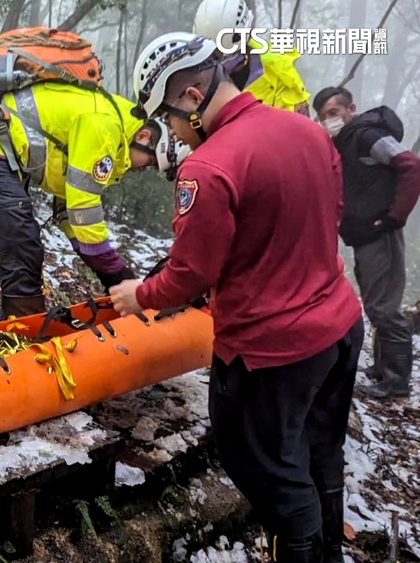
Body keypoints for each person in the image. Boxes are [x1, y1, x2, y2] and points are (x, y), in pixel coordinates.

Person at [112, 33, 364, 563]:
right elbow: (330, 215)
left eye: (170, 120)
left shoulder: (208, 167)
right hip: (340, 325)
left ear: (190, 98)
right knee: (320, 449)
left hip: (271, 350)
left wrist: (141, 295)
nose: (174, 135)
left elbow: (188, 275)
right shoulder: (308, 131)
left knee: (264, 468)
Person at [0, 82, 189, 319]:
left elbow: (69, 207)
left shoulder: (111, 125)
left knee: (23, 243)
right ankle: (22, 337)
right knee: (21, 246)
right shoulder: (105, 126)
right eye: (151, 162)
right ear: (144, 136)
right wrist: (115, 272)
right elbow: (84, 205)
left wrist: (98, 263)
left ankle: (21, 323)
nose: (144, 169)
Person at [313, 86, 420, 400]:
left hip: (381, 235)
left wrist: (394, 217)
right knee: (375, 304)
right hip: (364, 236)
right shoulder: (344, 143)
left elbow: (410, 164)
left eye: (333, 113)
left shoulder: (366, 135)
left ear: (350, 109)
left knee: (384, 309)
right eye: (323, 117)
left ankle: (397, 382)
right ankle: (382, 369)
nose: (329, 121)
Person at [193, 0, 311, 116]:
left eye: (228, 53)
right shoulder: (190, 75)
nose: (222, 61)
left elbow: (300, 126)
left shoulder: (279, 72)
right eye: (215, 54)